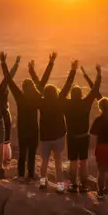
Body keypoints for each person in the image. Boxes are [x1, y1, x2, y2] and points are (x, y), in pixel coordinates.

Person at [2, 52, 55, 182]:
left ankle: (20, 176)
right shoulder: (37, 97)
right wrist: (51, 62)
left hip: (22, 129)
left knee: (22, 154)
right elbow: (44, 80)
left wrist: (3, 63)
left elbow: (8, 80)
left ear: (23, 88)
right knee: (31, 153)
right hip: (33, 129)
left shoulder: (20, 97)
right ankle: (31, 175)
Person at [29, 57, 77, 192]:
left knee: (44, 161)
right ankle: (60, 187)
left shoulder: (41, 102)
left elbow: (38, 84)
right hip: (59, 136)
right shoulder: (60, 100)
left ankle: (43, 183)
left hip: (45, 136)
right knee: (58, 162)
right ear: (56, 92)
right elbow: (68, 85)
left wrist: (33, 70)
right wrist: (73, 70)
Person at [64, 65, 102, 193]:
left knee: (73, 162)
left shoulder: (67, 104)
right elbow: (95, 88)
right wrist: (98, 74)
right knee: (84, 162)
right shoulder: (86, 102)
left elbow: (65, 89)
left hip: (72, 137)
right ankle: (84, 186)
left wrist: (73, 71)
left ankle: (73, 185)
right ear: (81, 94)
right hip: (84, 136)